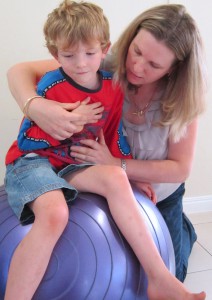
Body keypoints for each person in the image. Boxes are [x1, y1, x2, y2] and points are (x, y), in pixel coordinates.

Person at [5, 2, 207, 300]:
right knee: (55, 213)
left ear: (174, 68)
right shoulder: (79, 70)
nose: (137, 67)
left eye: (154, 65)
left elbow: (122, 141)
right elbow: (26, 134)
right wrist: (41, 109)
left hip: (156, 193)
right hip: (45, 161)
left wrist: (123, 171)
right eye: (137, 52)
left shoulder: (124, 87)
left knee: (173, 260)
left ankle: (160, 277)